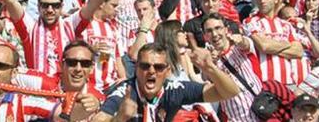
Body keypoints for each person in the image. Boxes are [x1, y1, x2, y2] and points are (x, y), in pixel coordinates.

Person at [97, 43, 240, 121]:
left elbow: (230, 92)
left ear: (167, 71)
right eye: (145, 66)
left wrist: (210, 68)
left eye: (158, 67)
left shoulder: (174, 89)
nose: (152, 71)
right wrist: (120, 118)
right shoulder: (126, 92)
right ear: (136, 69)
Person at [202, 13, 262, 122]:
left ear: (226, 29)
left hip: (261, 111)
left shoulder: (239, 48)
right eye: (209, 31)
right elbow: (206, 79)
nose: (214, 34)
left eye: (218, 28)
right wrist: (211, 64)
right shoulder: (209, 61)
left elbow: (246, 44)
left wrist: (240, 40)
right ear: (205, 36)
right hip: (235, 117)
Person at [243, 0, 304, 86]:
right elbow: (264, 46)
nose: (262, 1)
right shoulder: (250, 22)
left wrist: (272, 47)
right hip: (263, 83)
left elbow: (298, 52)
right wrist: (287, 44)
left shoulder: (286, 25)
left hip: (287, 83)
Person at [77, 0, 126, 93]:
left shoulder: (112, 27)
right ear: (101, 4)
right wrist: (91, 50)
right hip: (87, 85)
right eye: (113, 5)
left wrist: (124, 78)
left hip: (110, 85)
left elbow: (117, 57)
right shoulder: (84, 24)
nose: (116, 9)